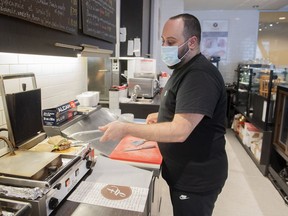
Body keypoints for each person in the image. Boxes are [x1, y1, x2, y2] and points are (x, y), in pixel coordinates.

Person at [99, 13, 228, 216]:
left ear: (192, 42)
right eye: (163, 41)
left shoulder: (199, 75)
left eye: (171, 41)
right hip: (182, 171)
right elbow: (188, 114)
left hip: (196, 179)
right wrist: (162, 117)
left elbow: (180, 131)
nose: (165, 46)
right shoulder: (183, 68)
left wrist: (125, 129)